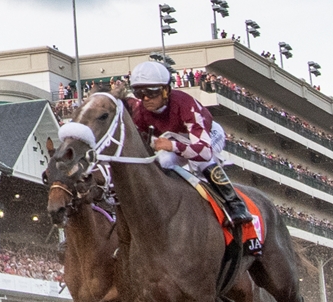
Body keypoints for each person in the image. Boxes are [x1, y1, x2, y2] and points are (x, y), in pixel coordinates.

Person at [110, 61, 258, 242]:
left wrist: (172, 146)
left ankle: (235, 203)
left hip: (206, 136)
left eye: (151, 92)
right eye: (140, 93)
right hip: (174, 138)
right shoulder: (141, 112)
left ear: (166, 90)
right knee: (162, 162)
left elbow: (203, 151)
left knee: (201, 163)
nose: (146, 99)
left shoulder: (185, 104)